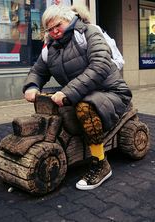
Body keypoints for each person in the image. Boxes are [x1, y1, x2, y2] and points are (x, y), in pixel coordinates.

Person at [23, 4, 132, 190]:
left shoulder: (88, 32)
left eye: (58, 25)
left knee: (84, 108)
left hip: (111, 91)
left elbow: (100, 64)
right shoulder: (50, 48)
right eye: (49, 29)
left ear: (68, 18)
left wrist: (67, 92)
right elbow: (38, 71)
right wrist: (32, 86)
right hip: (81, 93)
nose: (54, 31)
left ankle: (100, 163)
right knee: (56, 110)